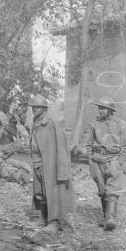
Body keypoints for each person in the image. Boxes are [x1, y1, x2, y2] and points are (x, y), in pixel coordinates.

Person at [29, 94, 75, 232]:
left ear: (44, 108)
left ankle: (54, 222)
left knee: (51, 192)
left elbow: (57, 147)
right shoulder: (36, 121)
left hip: (48, 164)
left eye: (38, 107)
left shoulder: (49, 123)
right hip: (37, 163)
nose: (35, 109)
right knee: (40, 192)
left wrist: (58, 167)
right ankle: (44, 219)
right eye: (33, 107)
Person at [84, 96, 126, 231]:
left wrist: (119, 163)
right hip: (96, 161)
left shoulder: (120, 125)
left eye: (103, 108)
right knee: (102, 191)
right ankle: (106, 218)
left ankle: (110, 219)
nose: (100, 111)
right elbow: (88, 144)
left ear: (110, 110)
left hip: (113, 161)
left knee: (112, 191)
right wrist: (90, 161)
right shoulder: (94, 124)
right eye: (99, 108)